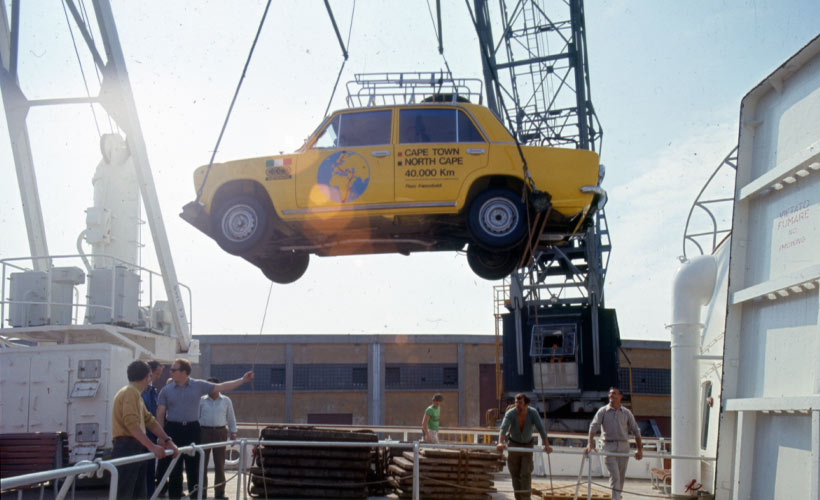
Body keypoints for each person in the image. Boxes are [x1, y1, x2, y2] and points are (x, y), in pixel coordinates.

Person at [156, 359, 253, 499]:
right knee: (174, 470)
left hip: (192, 429)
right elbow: (160, 414)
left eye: (173, 370)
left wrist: (243, 380)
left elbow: (222, 387)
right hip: (173, 430)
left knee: (194, 470)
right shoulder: (166, 391)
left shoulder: (198, 385)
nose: (170, 372)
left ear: (184, 372)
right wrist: (161, 436)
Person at [112, 360, 178, 500]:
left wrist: (167, 440)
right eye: (151, 376)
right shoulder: (130, 393)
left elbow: (150, 421)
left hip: (135, 447)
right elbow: (132, 425)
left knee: (138, 493)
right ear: (146, 376)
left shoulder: (136, 394)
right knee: (126, 493)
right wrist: (152, 446)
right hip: (127, 447)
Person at [585, 387, 644, 500]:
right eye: (610, 394)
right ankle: (615, 498)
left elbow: (636, 430)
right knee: (615, 476)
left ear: (620, 396)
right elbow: (593, 427)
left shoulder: (626, 413)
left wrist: (639, 450)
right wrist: (590, 443)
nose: (611, 395)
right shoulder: (602, 411)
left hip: (623, 447)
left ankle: (617, 496)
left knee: (621, 476)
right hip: (608, 446)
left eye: (614, 394)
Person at [496, 394, 552, 500]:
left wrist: (547, 446)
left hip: (527, 446)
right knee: (515, 473)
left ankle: (526, 498)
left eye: (520, 403)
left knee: (526, 473)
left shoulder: (533, 413)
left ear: (526, 404)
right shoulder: (511, 413)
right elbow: (503, 428)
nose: (517, 405)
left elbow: (541, 429)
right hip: (514, 445)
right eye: (516, 402)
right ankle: (518, 498)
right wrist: (500, 442)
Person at [199, 378, 238, 500]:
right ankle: (202, 492)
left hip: (220, 433)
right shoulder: (201, 400)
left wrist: (233, 433)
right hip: (203, 432)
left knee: (219, 464)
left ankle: (220, 492)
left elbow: (231, 417)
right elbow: (196, 417)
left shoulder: (226, 401)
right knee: (202, 464)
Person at [141, 360, 163, 497]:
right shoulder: (137, 393)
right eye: (156, 373)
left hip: (151, 436)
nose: (158, 377)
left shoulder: (152, 392)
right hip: (141, 437)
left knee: (149, 472)